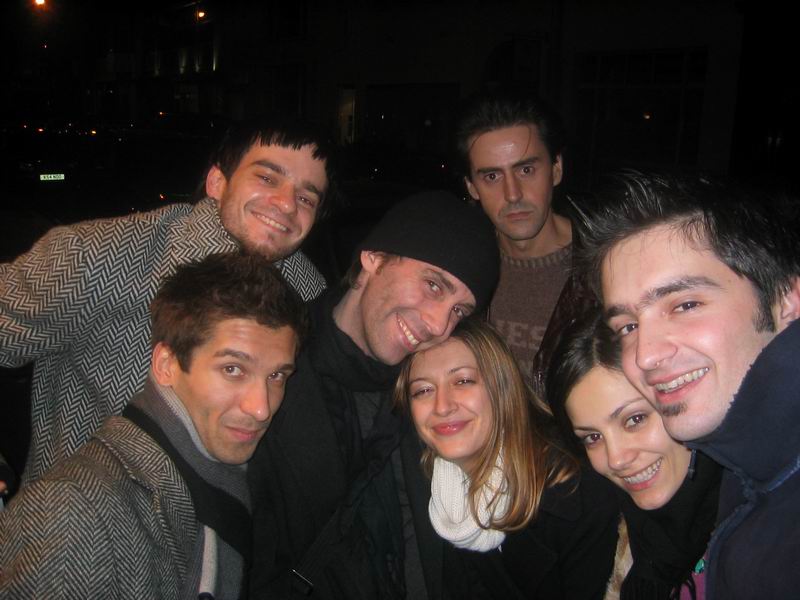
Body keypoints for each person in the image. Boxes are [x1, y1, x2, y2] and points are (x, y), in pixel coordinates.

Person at [0, 116, 334, 486]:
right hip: (88, 509)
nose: (286, 204)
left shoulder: (309, 291)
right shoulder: (100, 255)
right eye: (267, 178)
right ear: (217, 182)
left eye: (306, 198)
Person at [0, 252, 307, 598]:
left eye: (277, 375)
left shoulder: (216, 482)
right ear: (165, 364)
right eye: (233, 369)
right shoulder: (74, 510)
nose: (261, 408)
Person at [248, 191, 500, 599]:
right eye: (434, 285)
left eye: (459, 311)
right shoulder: (274, 377)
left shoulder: (435, 397)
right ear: (374, 258)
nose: (439, 325)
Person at [574, 171, 800, 599]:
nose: (645, 355)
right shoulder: (744, 468)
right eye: (627, 326)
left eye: (685, 304)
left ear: (787, 300)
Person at [394, 318, 619, 599]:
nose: (442, 406)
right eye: (423, 390)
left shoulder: (574, 493)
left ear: (502, 388)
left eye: (463, 381)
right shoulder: (429, 485)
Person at [547, 310, 721, 599]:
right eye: (593, 437)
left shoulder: (764, 528)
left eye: (635, 419)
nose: (616, 459)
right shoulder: (613, 533)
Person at [455, 89, 571, 377]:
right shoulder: (460, 269)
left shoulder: (605, 264)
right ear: (472, 187)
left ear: (556, 169)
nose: (512, 194)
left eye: (526, 170)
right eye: (492, 176)